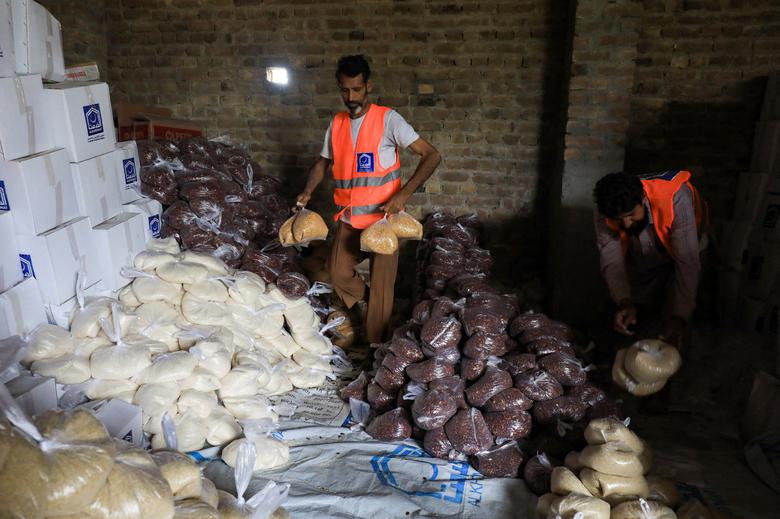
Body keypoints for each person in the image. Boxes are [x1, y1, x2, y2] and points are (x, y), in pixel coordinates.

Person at [296, 55, 442, 344]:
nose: (351, 97)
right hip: (350, 219)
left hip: (384, 223)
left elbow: (432, 154)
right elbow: (322, 162)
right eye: (345, 90)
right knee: (338, 273)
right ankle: (370, 301)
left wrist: (403, 195)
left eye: (357, 89)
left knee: (383, 288)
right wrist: (308, 191)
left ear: (368, 86)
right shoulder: (336, 123)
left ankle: (375, 351)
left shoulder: (388, 120)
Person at [593, 170, 707, 347]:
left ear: (643, 199)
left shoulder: (675, 197)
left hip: (686, 251)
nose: (626, 224)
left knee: (676, 324)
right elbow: (612, 260)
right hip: (643, 256)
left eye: (631, 214)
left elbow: (687, 263)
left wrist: (679, 316)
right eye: (619, 219)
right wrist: (625, 302)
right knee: (637, 315)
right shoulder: (605, 211)